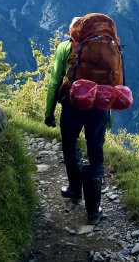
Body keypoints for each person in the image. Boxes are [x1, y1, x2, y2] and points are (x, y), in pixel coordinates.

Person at [44, 16, 111, 225]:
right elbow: (114, 84)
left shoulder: (65, 47)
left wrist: (49, 112)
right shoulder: (108, 47)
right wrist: (108, 117)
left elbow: (55, 80)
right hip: (99, 107)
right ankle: (93, 211)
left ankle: (75, 189)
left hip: (73, 105)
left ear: (72, 30)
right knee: (96, 154)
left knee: (69, 144)